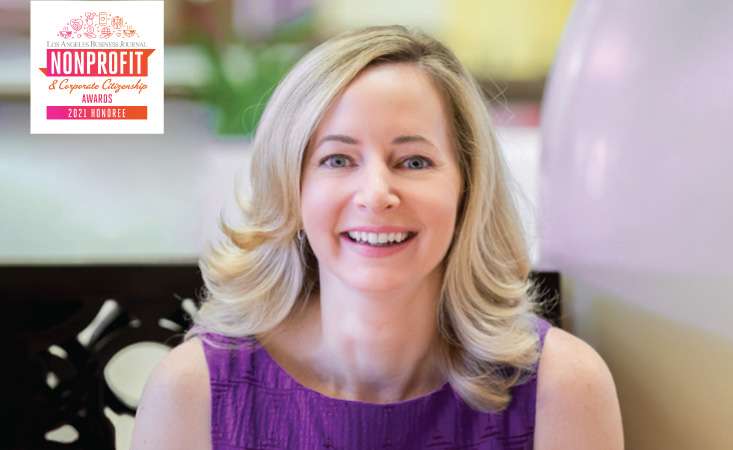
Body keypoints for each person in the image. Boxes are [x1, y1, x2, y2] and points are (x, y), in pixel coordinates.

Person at [131, 25, 624, 450]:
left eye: (413, 161)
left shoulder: (563, 386)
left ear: (466, 187)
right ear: (292, 188)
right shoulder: (192, 391)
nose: (376, 194)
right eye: (338, 160)